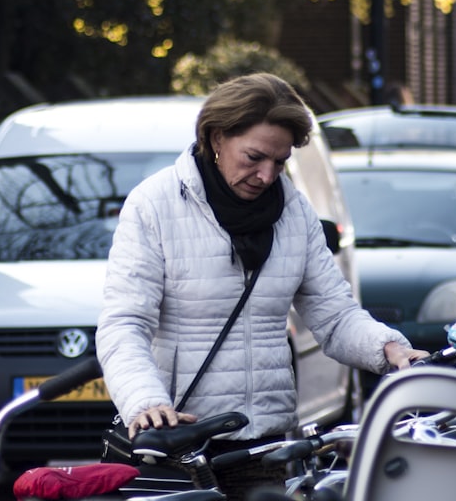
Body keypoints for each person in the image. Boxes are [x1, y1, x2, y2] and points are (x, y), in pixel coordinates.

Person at [96, 73, 428, 499]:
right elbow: (123, 323)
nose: (267, 175)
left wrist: (389, 350)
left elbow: (335, 315)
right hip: (177, 445)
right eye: (254, 157)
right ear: (216, 137)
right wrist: (147, 404)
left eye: (280, 162)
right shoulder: (154, 205)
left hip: (263, 446)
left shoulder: (294, 212)